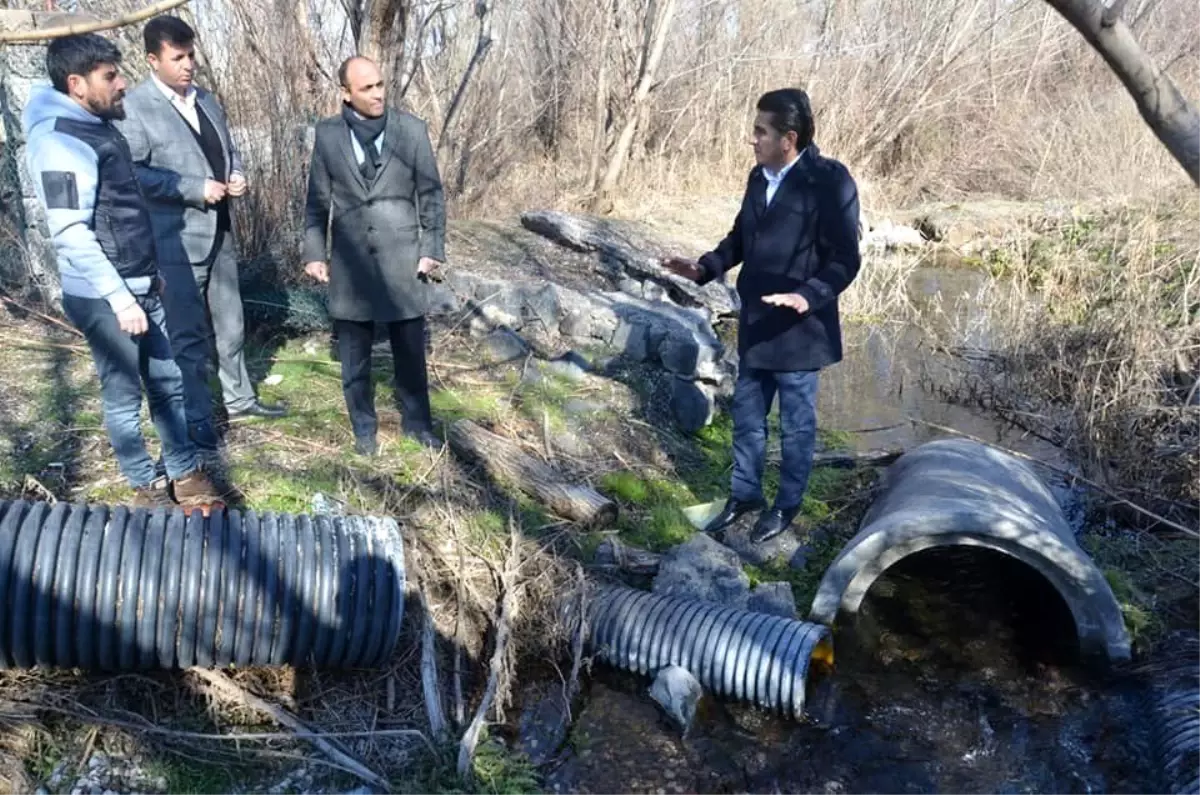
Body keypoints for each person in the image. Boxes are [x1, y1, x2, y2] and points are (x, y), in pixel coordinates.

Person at [23, 33, 224, 511]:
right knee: (122, 394)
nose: (123, 83)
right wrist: (120, 298)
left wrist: (147, 277)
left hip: (137, 285)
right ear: (77, 83)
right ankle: (144, 484)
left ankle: (184, 471)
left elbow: (122, 211)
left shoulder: (95, 123)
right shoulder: (59, 140)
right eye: (110, 76)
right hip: (104, 296)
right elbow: (71, 231)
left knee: (168, 381)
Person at [663, 88, 861, 544]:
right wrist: (705, 266)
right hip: (756, 324)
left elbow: (845, 259)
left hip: (800, 332)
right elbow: (740, 238)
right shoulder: (759, 177)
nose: (752, 140)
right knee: (748, 420)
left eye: (760, 132)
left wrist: (808, 296)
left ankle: (786, 506)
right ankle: (744, 495)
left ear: (788, 138)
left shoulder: (829, 182)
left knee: (795, 429)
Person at [116, 14, 285, 447]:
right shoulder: (135, 108)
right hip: (176, 240)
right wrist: (193, 188)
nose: (189, 65)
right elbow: (133, 174)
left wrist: (238, 174)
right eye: (178, 58)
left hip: (221, 232)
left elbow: (229, 150)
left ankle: (240, 400)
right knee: (187, 334)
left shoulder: (207, 99)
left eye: (191, 55)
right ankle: (197, 418)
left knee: (231, 324)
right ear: (153, 60)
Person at [301, 56, 446, 456]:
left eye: (380, 84)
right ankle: (364, 430)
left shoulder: (411, 131)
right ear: (346, 93)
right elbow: (317, 199)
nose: (378, 93)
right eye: (367, 88)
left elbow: (431, 193)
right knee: (354, 356)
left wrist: (432, 248)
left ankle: (418, 425)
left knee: (410, 353)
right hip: (350, 260)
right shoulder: (328, 135)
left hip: (404, 259)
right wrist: (314, 251)